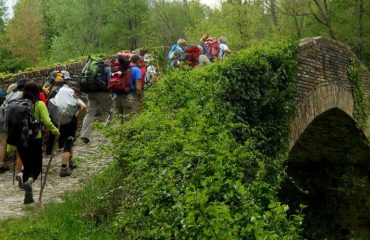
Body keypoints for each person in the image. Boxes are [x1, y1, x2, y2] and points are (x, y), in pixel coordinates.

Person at [16, 81, 60, 204]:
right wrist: (55, 131)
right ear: (37, 92)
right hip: (35, 138)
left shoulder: (17, 104)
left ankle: (27, 196)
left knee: (27, 164)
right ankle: (29, 181)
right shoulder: (39, 104)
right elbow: (47, 121)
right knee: (37, 167)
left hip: (20, 139)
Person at [46, 81, 86, 177]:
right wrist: (77, 117)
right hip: (69, 122)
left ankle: (71, 161)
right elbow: (83, 106)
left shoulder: (59, 95)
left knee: (67, 142)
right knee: (68, 143)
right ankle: (64, 168)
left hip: (57, 121)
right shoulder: (73, 96)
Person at [80, 60, 112, 144]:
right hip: (102, 93)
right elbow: (110, 81)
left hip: (90, 93)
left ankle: (84, 135)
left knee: (90, 113)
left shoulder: (89, 67)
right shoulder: (107, 68)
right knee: (110, 113)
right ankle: (104, 137)